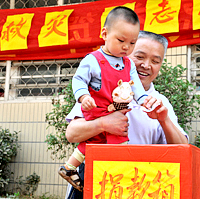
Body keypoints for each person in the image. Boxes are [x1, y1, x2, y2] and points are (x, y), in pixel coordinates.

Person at [64, 31, 189, 199]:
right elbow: (72, 133)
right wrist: (102, 124)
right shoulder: (100, 88)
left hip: (136, 187)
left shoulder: (160, 102)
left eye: (155, 61)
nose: (146, 65)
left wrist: (164, 120)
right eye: (140, 56)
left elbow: (184, 150)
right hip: (94, 184)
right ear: (126, 54)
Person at [58, 6, 150, 192]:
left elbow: (137, 87)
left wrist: (143, 100)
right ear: (104, 33)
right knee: (119, 139)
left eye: (132, 43)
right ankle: (120, 173)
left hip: (114, 110)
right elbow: (78, 79)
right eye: (121, 40)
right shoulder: (93, 59)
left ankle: (69, 167)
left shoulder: (129, 63)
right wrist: (83, 96)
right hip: (96, 108)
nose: (126, 47)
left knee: (92, 142)